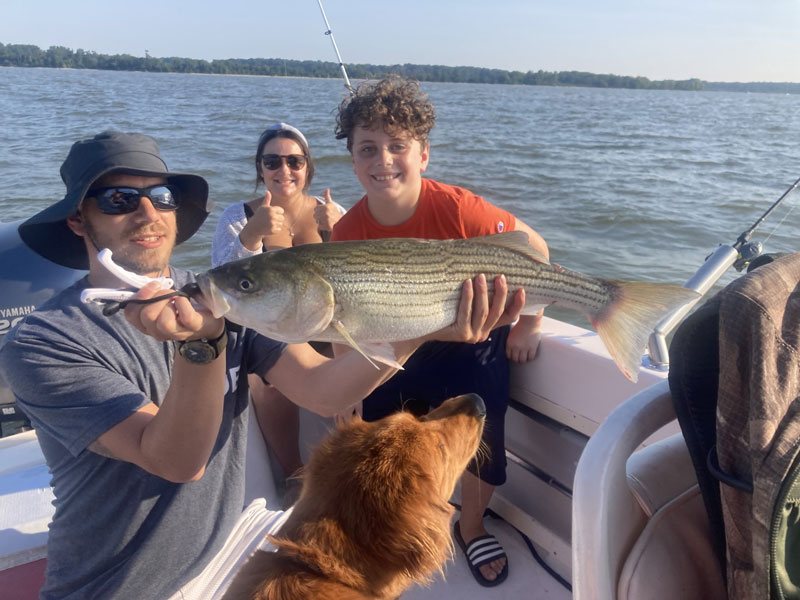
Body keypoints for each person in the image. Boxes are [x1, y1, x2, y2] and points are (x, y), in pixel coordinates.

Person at [0, 130, 524, 600]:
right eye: (119, 199)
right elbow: (176, 461)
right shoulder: (45, 340)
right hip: (128, 584)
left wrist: (422, 329)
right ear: (78, 219)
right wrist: (202, 346)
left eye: (161, 196)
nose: (148, 213)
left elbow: (323, 392)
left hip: (240, 542)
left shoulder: (224, 292)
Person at [331, 75, 550, 587]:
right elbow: (344, 316)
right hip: (393, 343)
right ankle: (401, 521)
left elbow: (533, 250)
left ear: (423, 154)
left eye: (397, 147)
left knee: (482, 431)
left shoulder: (459, 208)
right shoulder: (345, 232)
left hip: (472, 338)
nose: (383, 160)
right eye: (368, 149)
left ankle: (470, 527)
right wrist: (343, 374)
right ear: (354, 161)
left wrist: (531, 322)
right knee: (379, 436)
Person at [211, 122, 345, 507]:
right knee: (265, 380)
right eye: (272, 161)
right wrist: (250, 237)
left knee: (360, 363)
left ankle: (346, 463)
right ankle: (294, 472)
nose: (284, 170)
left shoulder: (333, 213)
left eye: (294, 161)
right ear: (260, 169)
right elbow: (224, 286)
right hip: (272, 327)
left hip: (329, 322)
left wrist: (337, 233)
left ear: (308, 168)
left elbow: (361, 274)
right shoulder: (237, 217)